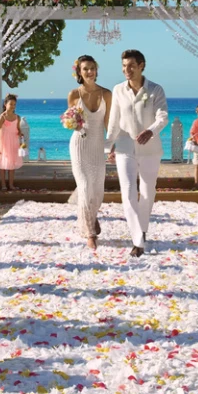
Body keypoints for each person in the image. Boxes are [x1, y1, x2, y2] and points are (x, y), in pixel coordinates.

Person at [105, 49, 168, 257]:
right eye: (124, 66)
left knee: (148, 193)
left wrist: (151, 131)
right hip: (124, 147)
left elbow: (163, 117)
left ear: (142, 66)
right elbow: (114, 122)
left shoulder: (155, 90)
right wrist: (108, 146)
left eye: (131, 66)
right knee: (129, 192)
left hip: (150, 150)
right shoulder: (118, 90)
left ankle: (142, 229)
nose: (126, 70)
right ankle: (138, 240)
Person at [67, 55, 112, 250]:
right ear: (79, 71)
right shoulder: (73, 95)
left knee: (97, 190)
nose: (89, 72)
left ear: (97, 69)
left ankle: (91, 217)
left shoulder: (107, 94)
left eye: (92, 68)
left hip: (97, 145)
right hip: (79, 144)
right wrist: (71, 123)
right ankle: (90, 234)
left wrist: (111, 146)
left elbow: (108, 123)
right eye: (85, 68)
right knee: (85, 187)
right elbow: (72, 119)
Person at [0, 94, 24, 191]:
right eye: (11, 104)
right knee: (2, 164)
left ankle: (11, 184)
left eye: (14, 104)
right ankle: (3, 185)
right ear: (5, 104)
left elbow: (18, 129)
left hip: (13, 142)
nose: (13, 106)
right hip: (4, 143)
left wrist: (20, 134)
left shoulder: (17, 117)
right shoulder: (2, 117)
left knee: (12, 164)